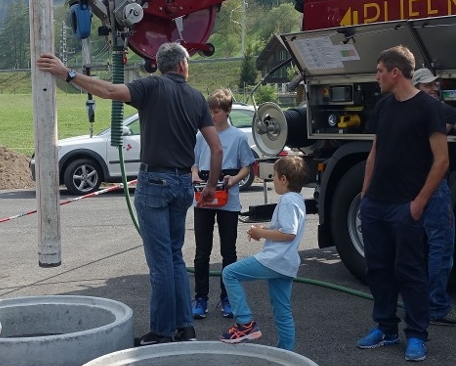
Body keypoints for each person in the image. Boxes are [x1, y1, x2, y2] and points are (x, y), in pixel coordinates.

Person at [37, 44, 222, 346]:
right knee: (175, 257)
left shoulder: (151, 86)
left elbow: (109, 92)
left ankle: (161, 332)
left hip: (155, 183)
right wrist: (211, 187)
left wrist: (67, 73)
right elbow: (216, 148)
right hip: (182, 185)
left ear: (162, 65)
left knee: (161, 262)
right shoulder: (196, 97)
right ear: (183, 66)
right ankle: (185, 328)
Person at [356, 46, 449, 362]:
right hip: (376, 205)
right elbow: (374, 154)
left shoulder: (427, 108)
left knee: (409, 272)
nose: (377, 77)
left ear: (396, 73)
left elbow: (441, 161)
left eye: (380, 70)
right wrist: (365, 196)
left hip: (405, 207)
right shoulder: (383, 108)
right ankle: (386, 328)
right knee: (378, 270)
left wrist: (419, 202)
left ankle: (417, 336)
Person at [218, 155, 310, 350]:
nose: (273, 179)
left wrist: (261, 232)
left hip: (274, 260)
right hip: (286, 263)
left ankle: (245, 323)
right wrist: (264, 232)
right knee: (282, 311)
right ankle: (287, 354)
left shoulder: (287, 201)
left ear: (284, 179)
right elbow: (286, 229)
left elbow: (289, 233)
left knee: (229, 273)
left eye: (274, 175)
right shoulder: (297, 200)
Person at [410, 68, 456, 328]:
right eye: (427, 85)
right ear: (416, 86)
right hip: (432, 187)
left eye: (435, 84)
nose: (433, 88)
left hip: (411, 185)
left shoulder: (403, 108)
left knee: (420, 246)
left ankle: (421, 301)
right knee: (441, 246)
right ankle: (437, 307)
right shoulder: (433, 110)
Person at [190, 88, 256, 320]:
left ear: (227, 112)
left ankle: (227, 299)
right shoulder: (201, 136)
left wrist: (235, 179)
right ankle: (200, 299)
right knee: (201, 252)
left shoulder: (237, 137)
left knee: (228, 252)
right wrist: (195, 174)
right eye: (210, 111)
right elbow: (195, 163)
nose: (212, 115)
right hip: (203, 197)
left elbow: (247, 165)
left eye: (216, 111)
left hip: (228, 199)